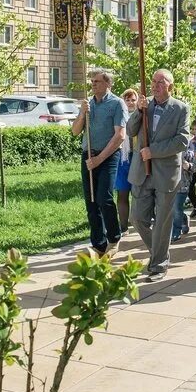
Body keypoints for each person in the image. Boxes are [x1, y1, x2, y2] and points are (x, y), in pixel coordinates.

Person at [127, 69, 191, 282]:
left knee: (163, 221)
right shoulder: (145, 106)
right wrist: (138, 111)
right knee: (137, 218)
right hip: (141, 172)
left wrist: (153, 151)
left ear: (170, 86)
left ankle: (158, 265)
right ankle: (159, 253)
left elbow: (182, 140)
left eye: (160, 82)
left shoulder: (181, 108)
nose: (155, 85)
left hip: (166, 173)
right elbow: (130, 131)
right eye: (153, 81)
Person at [72, 69, 126, 257]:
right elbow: (75, 131)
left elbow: (120, 135)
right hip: (88, 155)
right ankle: (98, 244)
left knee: (104, 197)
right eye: (92, 82)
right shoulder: (88, 104)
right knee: (91, 201)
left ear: (108, 84)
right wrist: (81, 114)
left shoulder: (117, 103)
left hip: (108, 156)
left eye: (97, 81)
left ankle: (114, 237)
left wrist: (100, 159)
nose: (93, 84)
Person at [115, 88, 139, 234]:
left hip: (138, 158)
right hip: (123, 158)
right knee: (122, 193)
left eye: (133, 100)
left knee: (139, 194)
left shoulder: (142, 116)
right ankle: (123, 227)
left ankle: (141, 222)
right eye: (127, 100)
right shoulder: (119, 117)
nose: (130, 103)